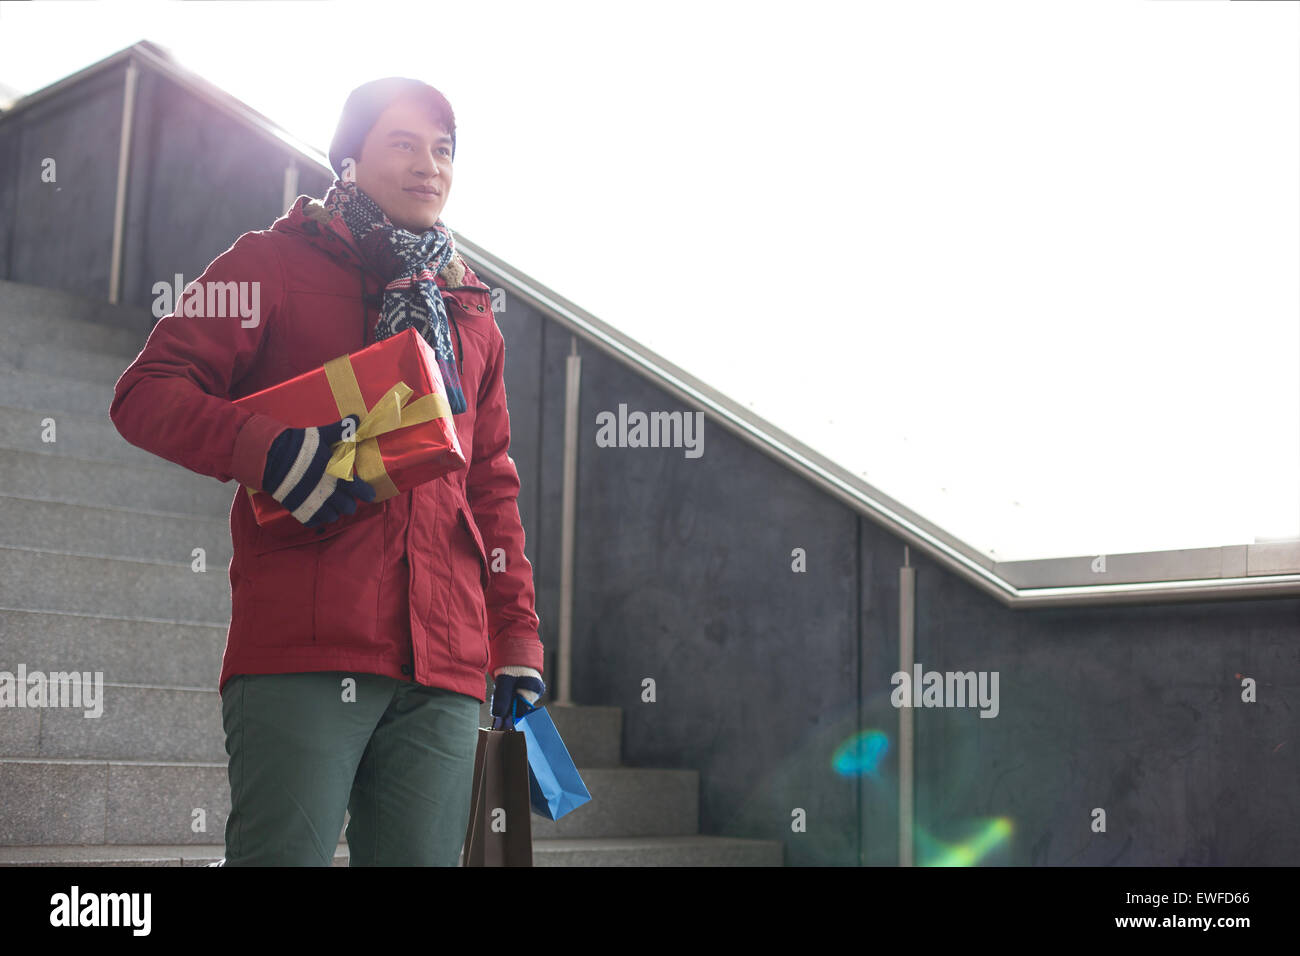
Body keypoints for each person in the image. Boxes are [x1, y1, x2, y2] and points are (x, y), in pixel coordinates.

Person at [109, 77, 545, 866]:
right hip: (306, 645)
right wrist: (268, 450)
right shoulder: (270, 265)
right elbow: (146, 393)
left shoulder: (470, 313)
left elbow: (490, 485)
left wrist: (515, 634)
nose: (430, 166)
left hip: (445, 662)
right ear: (347, 159)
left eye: (443, 150)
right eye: (403, 144)